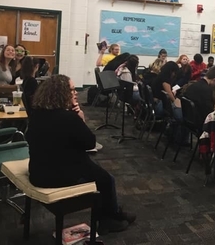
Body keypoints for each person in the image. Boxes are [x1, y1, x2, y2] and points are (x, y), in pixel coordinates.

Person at [26, 75, 136, 234]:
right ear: (60, 93)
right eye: (71, 90)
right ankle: (108, 220)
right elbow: (90, 144)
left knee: (94, 168)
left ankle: (115, 213)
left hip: (38, 170)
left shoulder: (38, 113)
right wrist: (81, 120)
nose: (75, 93)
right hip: (56, 176)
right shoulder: (70, 118)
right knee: (106, 179)